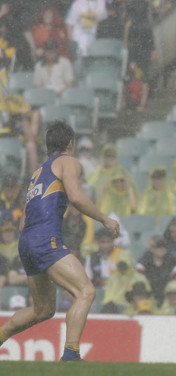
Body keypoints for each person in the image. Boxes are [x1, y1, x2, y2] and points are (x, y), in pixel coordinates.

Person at [0, 121, 119, 361]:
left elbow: (23, 223)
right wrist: (104, 219)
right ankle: (71, 355)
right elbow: (75, 196)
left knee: (42, 310)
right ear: (71, 144)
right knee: (86, 291)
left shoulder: (37, 174)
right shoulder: (68, 161)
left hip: (27, 243)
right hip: (45, 240)